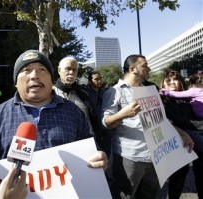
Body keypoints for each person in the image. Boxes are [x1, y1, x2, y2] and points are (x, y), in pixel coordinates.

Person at [0, 50, 108, 198]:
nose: (35, 75)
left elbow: (91, 149)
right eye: (26, 70)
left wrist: (99, 159)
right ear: (15, 82)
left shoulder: (74, 113)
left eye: (42, 70)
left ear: (51, 79)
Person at [101, 54, 194, 199]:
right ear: (133, 69)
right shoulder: (115, 91)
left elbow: (161, 119)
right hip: (130, 158)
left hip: (155, 157)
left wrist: (182, 133)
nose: (149, 68)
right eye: (144, 65)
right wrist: (123, 114)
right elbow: (105, 122)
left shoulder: (150, 90)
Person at [159, 69, 203, 199]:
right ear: (163, 83)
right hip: (177, 144)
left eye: (175, 79)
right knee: (178, 179)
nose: (172, 82)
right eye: (168, 80)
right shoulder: (162, 100)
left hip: (197, 141)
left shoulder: (190, 97)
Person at [53, 57, 103, 148]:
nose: (71, 72)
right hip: (60, 146)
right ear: (59, 70)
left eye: (74, 70)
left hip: (86, 145)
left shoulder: (83, 94)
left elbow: (92, 121)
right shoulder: (50, 94)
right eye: (68, 69)